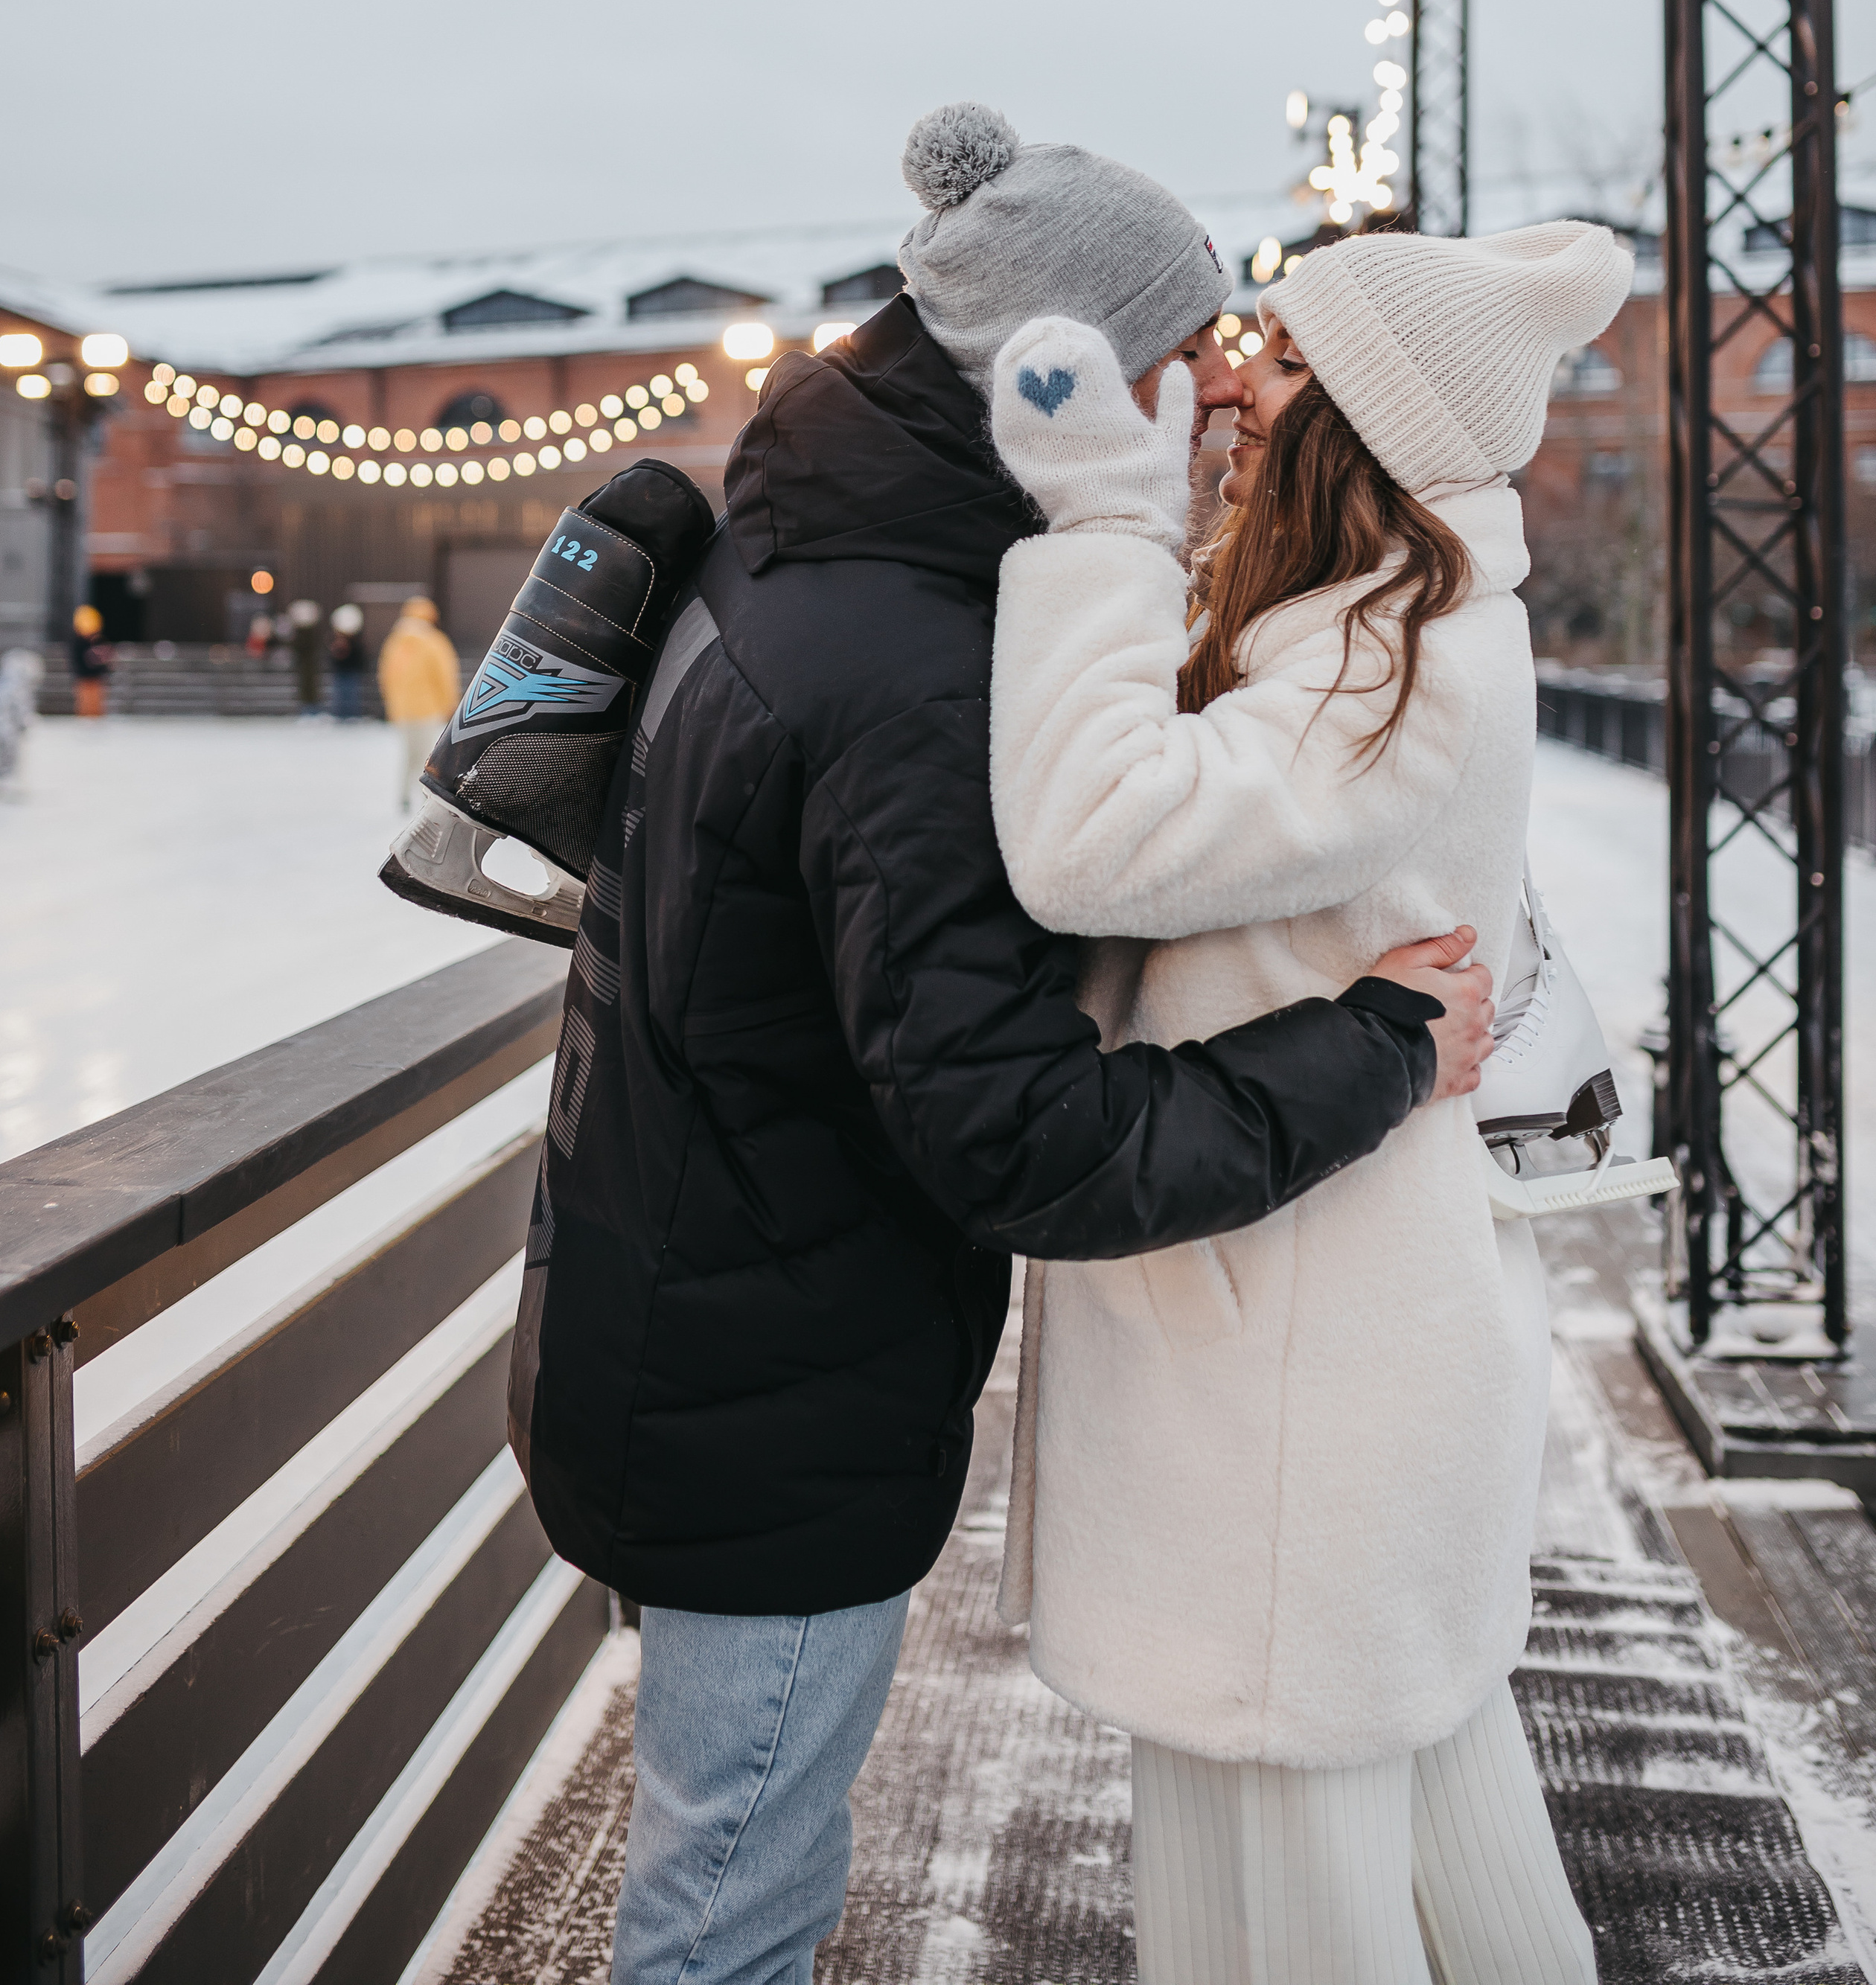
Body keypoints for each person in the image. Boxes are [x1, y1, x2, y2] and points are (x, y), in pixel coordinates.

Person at [505, 104, 1496, 1985]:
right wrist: (1373, 1043)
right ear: (1067, 379)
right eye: (1186, 354)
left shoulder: (814, 553)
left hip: (689, 1325)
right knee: (726, 1915)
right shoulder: (918, 670)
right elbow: (1019, 1137)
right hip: (767, 1398)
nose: (1222, 394)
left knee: (726, 1866)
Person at [981, 217, 1634, 1985]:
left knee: (1279, 1893)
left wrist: (1100, 523)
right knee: (1421, 1830)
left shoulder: (1376, 664)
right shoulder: (1370, 630)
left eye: (1278, 359)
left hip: (1294, 1367)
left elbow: (1087, 834)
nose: (1234, 386)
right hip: (1326, 1334)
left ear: (1365, 416)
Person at [377, 595, 462, 808]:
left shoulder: (395, 642)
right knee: (427, 756)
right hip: (428, 707)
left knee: (409, 754)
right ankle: (427, 797)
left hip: (402, 709)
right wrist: (450, 703)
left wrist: (392, 704)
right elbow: (445, 676)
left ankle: (404, 794)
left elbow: (386, 676)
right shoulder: (434, 641)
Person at [0, 648, 43, 798]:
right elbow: (20, 707)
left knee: (3, 755)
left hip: (1, 726)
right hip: (7, 728)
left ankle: (3, 780)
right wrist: (24, 721)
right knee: (8, 755)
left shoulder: (3, 682)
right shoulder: (15, 686)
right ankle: (6, 781)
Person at [70, 603, 112, 717]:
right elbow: (77, 659)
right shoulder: (79, 643)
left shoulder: (97, 640)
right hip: (84, 676)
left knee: (95, 702)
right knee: (85, 701)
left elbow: (105, 656)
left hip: (95, 675)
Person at [328, 602, 366, 719]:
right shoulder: (337, 640)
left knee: (350, 693)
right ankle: (341, 714)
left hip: (350, 670)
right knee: (342, 693)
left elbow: (359, 654)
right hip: (342, 670)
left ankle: (351, 714)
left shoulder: (355, 640)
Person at [287, 598, 325, 717]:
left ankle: (311, 710)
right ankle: (309, 710)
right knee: (307, 687)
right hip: (306, 666)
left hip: (308, 666)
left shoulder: (306, 635)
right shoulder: (305, 635)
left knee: (309, 687)